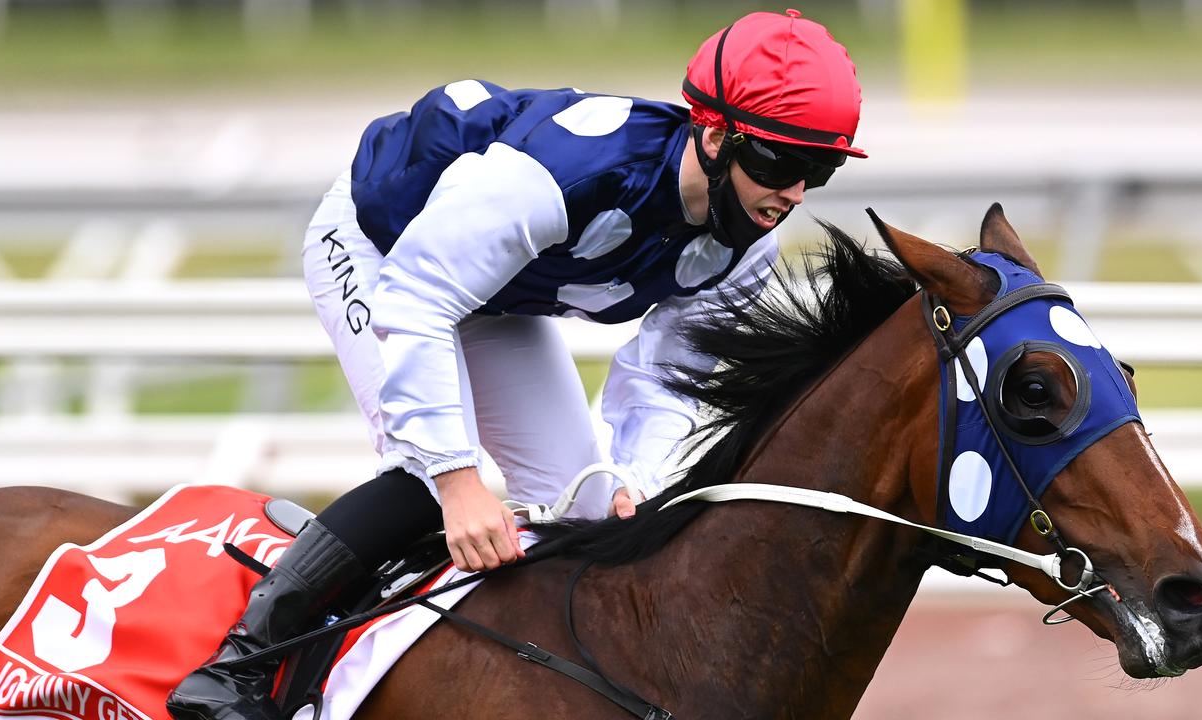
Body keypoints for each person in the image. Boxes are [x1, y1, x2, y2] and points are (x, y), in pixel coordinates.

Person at [166, 8, 866, 720]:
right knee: (426, 472)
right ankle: (236, 666)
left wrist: (636, 479)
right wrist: (460, 480)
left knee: (592, 509)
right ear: (715, 137)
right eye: (782, 164)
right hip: (381, 249)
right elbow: (415, 298)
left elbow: (666, 376)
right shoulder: (570, 174)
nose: (795, 194)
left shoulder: (749, 244)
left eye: (821, 170)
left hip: (492, 293)